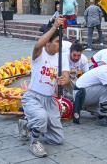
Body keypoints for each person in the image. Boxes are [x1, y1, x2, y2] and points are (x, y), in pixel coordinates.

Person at [18, 18, 70, 158]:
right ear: (48, 42)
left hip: (49, 101)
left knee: (57, 139)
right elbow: (37, 45)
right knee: (41, 118)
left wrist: (65, 80)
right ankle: (34, 141)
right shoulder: (39, 53)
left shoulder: (62, 57)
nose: (60, 45)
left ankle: (27, 124)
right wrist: (54, 27)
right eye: (57, 42)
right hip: (33, 97)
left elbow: (66, 77)